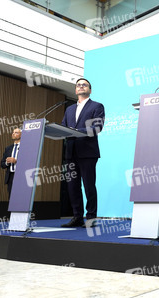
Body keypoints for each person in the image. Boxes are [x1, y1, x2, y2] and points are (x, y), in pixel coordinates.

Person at [61, 78, 105, 228]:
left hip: (87, 152)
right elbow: (63, 127)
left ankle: (91, 217)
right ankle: (77, 217)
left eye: (84, 85)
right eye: (78, 85)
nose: (81, 86)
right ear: (75, 90)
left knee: (88, 185)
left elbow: (97, 128)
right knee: (72, 187)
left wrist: (75, 131)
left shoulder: (97, 106)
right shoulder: (69, 109)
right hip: (70, 152)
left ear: (90, 90)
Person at [1, 128, 22, 199]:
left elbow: (29, 162)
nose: (13, 134)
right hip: (10, 176)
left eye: (16, 132)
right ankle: (12, 210)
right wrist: (7, 162)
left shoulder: (25, 147)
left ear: (22, 135)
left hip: (21, 176)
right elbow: (2, 164)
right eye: (13, 132)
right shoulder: (8, 148)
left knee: (21, 196)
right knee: (12, 197)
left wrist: (16, 161)